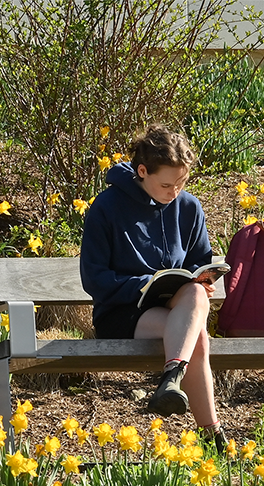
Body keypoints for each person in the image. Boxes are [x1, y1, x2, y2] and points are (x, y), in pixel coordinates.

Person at [80, 124, 228, 449]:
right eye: (166, 184)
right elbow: (93, 279)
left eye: (182, 183)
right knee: (196, 336)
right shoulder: (106, 208)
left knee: (194, 295)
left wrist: (203, 280)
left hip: (175, 308)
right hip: (122, 315)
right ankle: (213, 436)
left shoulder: (189, 208)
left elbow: (199, 263)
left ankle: (171, 380)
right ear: (142, 171)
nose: (175, 192)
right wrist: (143, 285)